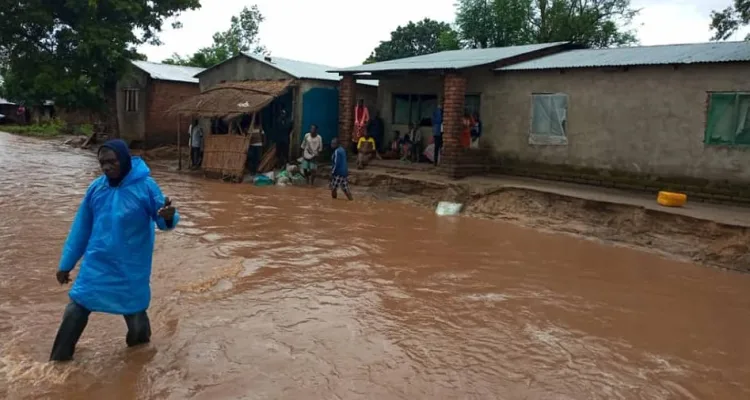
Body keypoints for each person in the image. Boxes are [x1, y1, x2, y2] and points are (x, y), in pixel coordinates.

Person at [50, 139, 179, 362]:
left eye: (111, 161)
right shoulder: (96, 188)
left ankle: (138, 364)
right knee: (75, 311)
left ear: (124, 159)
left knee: (137, 323)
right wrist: (66, 264)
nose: (107, 167)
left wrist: (168, 217)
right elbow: (81, 228)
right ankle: (58, 364)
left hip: (130, 269)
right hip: (96, 265)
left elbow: (163, 216)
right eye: (102, 163)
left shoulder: (146, 186)